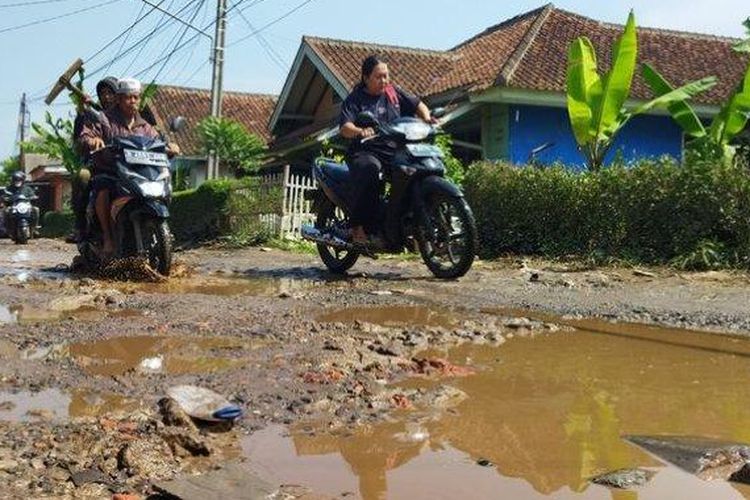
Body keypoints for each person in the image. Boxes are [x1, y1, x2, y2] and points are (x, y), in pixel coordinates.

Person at [339, 55, 435, 247]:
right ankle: (357, 227)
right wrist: (360, 130)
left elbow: (419, 105)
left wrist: (427, 118)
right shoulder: (355, 99)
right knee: (370, 170)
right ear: (366, 78)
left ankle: (408, 225)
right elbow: (345, 127)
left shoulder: (393, 92)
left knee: (417, 169)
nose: (384, 80)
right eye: (379, 76)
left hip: (394, 150)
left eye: (386, 76)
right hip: (366, 151)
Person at [77, 77, 179, 259]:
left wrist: (170, 147)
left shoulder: (146, 127)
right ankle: (108, 238)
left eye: (135, 97)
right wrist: (93, 140)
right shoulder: (104, 119)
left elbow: (159, 143)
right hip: (110, 170)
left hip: (139, 173)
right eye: (127, 97)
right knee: (103, 189)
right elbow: (86, 136)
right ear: (119, 99)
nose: (132, 101)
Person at [68, 77, 119, 243]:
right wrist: (91, 140)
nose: (106, 97)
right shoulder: (94, 115)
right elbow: (81, 137)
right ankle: (80, 226)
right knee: (82, 176)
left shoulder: (129, 114)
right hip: (100, 163)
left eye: (110, 93)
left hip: (126, 163)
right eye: (102, 94)